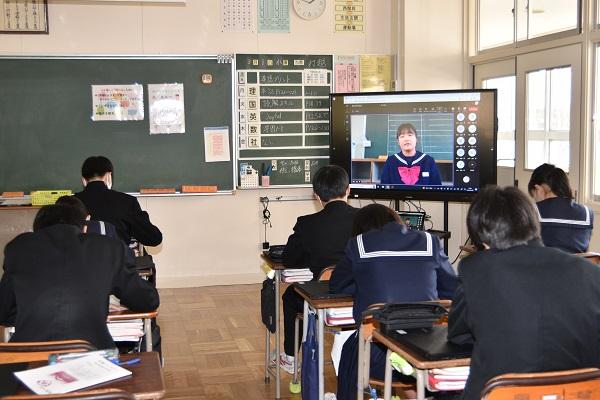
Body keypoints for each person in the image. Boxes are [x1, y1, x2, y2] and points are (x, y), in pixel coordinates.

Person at [448, 186, 600, 400]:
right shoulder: (591, 272)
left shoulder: (474, 269)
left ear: (482, 236)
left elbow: (459, 335)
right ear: (534, 223)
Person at [330, 203, 457, 400]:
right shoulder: (430, 241)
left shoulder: (359, 245)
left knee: (348, 349)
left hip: (378, 356)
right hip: (428, 352)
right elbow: (452, 290)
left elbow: (337, 285)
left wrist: (363, 285)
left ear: (359, 228)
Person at [0, 204, 159, 349]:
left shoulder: (18, 248)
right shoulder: (108, 248)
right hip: (91, 353)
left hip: (28, 356)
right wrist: (97, 302)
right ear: (85, 228)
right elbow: (147, 301)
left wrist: (34, 311)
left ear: (37, 230)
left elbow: (4, 312)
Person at [277, 165, 357, 374]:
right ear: (348, 190)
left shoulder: (307, 224)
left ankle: (290, 357)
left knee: (290, 296)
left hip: (324, 300)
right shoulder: (365, 220)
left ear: (317, 195)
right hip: (362, 298)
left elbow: (289, 259)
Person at [75, 156, 162, 248]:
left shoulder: (70, 203)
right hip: (116, 256)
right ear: (108, 176)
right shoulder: (127, 201)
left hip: (79, 256)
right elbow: (153, 238)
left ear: (84, 180)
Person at [528, 163, 593, 253]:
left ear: (538, 189)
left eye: (534, 195)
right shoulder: (587, 213)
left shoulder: (533, 211)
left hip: (545, 262)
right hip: (577, 262)